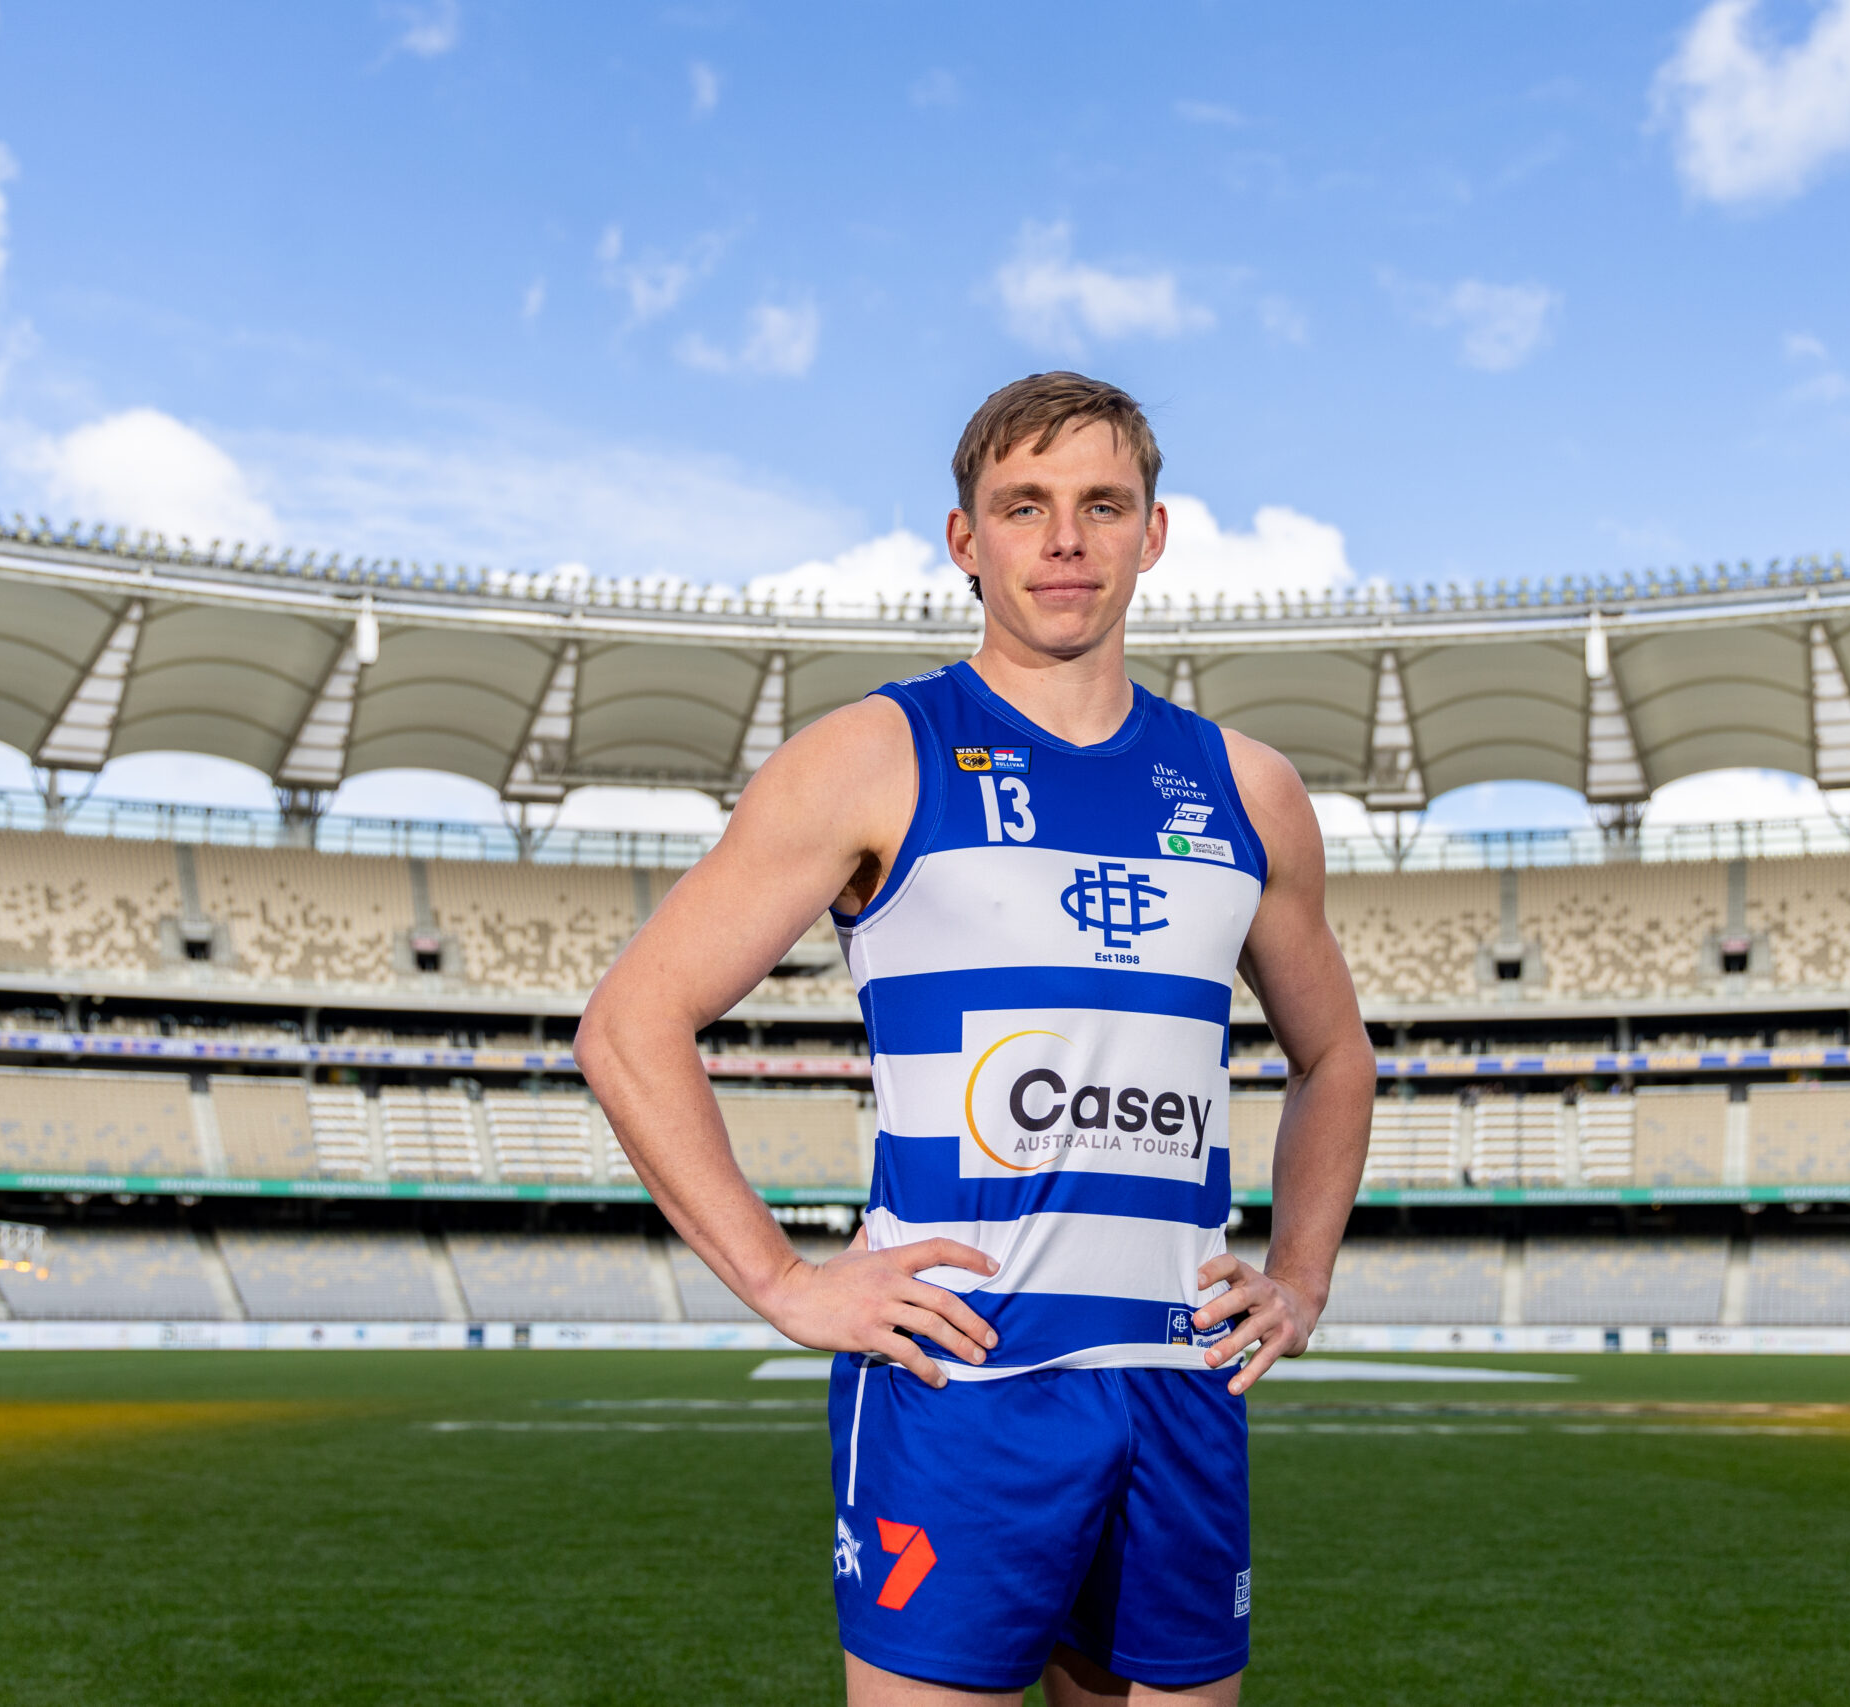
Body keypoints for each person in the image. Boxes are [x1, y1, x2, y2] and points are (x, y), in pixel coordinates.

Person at [577, 372, 1371, 1704]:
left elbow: (1336, 1057)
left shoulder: (1248, 790)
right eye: (1024, 506)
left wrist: (1302, 1276)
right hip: (958, 1387)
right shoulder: (873, 756)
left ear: (1153, 534)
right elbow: (628, 1022)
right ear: (967, 539)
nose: (1065, 539)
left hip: (1180, 1387)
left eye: (1101, 504)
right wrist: (781, 1282)